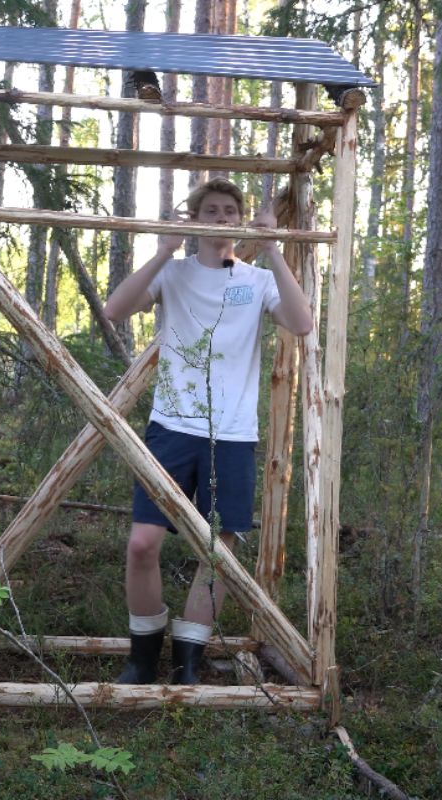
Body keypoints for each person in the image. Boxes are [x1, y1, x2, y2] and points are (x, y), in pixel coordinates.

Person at [102, 177, 312, 684]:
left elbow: (302, 323)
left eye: (229, 211)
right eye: (211, 211)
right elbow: (114, 309)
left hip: (232, 432)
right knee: (142, 543)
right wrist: (164, 250)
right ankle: (143, 655)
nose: (221, 219)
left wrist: (274, 251)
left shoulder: (257, 279)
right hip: (172, 426)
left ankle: (189, 657)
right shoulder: (172, 275)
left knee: (218, 549)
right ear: (195, 218)